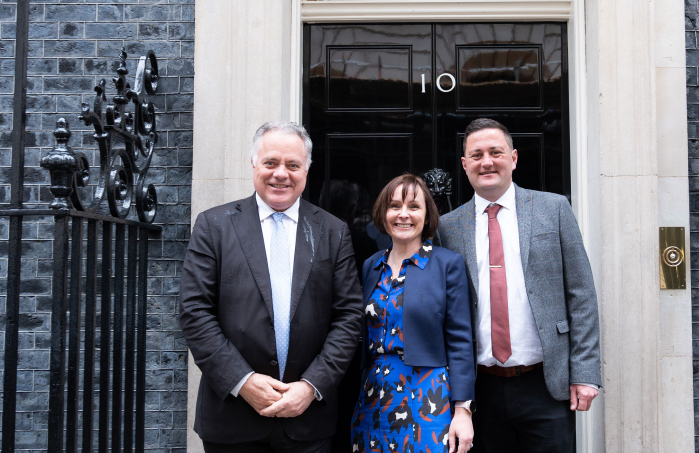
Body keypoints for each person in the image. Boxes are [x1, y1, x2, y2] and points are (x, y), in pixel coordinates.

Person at [180, 121, 363, 453]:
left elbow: (349, 317)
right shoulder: (213, 226)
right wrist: (243, 381)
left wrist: (311, 386)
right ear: (254, 163)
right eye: (271, 163)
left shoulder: (334, 231)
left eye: (293, 165)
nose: (282, 173)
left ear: (307, 169)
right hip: (232, 419)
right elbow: (195, 312)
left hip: (307, 421)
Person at [437, 118, 601, 453]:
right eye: (477, 154)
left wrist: (584, 371)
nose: (487, 161)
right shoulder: (447, 227)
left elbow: (581, 293)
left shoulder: (553, 209)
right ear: (465, 165)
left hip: (545, 383)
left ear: (513, 158)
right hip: (478, 389)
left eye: (495, 152)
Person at [351, 174, 475, 453]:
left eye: (414, 207)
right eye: (394, 206)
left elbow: (460, 341)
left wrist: (463, 410)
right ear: (383, 215)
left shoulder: (447, 264)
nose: (403, 214)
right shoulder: (372, 265)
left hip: (428, 397)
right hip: (373, 396)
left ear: (427, 215)